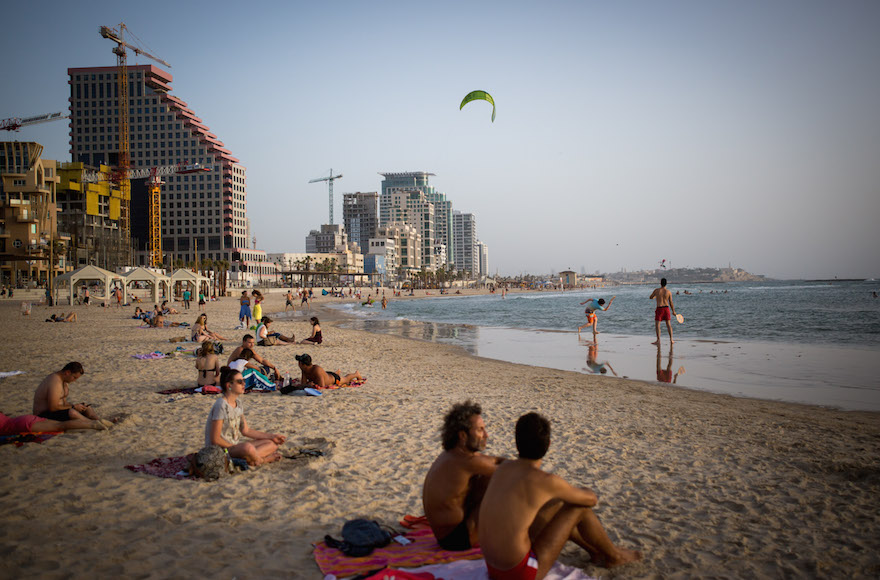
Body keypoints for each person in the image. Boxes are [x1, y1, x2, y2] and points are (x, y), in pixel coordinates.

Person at [479, 413, 641, 579]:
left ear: (517, 441)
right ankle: (614, 556)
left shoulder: (503, 468)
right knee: (578, 508)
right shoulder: (546, 481)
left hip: (493, 567)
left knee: (555, 508)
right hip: (520, 573)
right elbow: (591, 500)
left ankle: (596, 552)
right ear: (548, 445)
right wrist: (583, 490)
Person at [423, 401, 505, 551]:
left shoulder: (453, 454)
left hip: (449, 531)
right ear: (462, 435)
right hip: (456, 539)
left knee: (490, 476)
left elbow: (494, 461)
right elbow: (510, 471)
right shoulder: (465, 461)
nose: (486, 435)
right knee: (505, 487)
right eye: (480, 430)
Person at [204, 366, 285, 466]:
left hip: (234, 447)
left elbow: (246, 430)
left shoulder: (238, 403)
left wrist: (272, 436)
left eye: (243, 381)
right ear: (229, 385)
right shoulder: (221, 405)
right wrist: (234, 447)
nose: (244, 384)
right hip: (221, 449)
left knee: (272, 444)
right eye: (239, 382)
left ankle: (250, 458)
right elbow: (215, 439)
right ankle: (261, 460)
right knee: (248, 448)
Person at [32, 362, 107, 424]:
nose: (74, 380)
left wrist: (78, 406)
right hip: (43, 415)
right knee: (72, 412)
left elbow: (63, 403)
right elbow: (53, 407)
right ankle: (93, 424)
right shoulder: (55, 382)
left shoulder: (64, 380)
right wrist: (73, 407)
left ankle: (98, 421)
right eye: (74, 377)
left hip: (57, 411)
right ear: (67, 372)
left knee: (86, 407)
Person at [1, 410, 109, 434]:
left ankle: (93, 424)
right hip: (23, 418)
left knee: (60, 426)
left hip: (22, 425)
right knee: (60, 427)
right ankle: (92, 424)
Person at [295, 353, 363, 387]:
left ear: (303, 364)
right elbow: (303, 384)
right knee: (327, 375)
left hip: (334, 379)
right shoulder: (304, 370)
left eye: (299, 363)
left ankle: (356, 374)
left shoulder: (316, 370)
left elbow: (322, 386)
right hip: (327, 375)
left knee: (346, 379)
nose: (298, 364)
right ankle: (337, 372)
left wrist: (311, 385)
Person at [649, 278, 678, 345]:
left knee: (657, 325)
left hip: (659, 309)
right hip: (666, 309)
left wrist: (655, 297)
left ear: (660, 283)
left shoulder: (657, 290)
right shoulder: (668, 292)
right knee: (668, 325)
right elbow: (671, 302)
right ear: (666, 283)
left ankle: (658, 340)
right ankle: (671, 340)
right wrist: (673, 311)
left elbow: (650, 297)